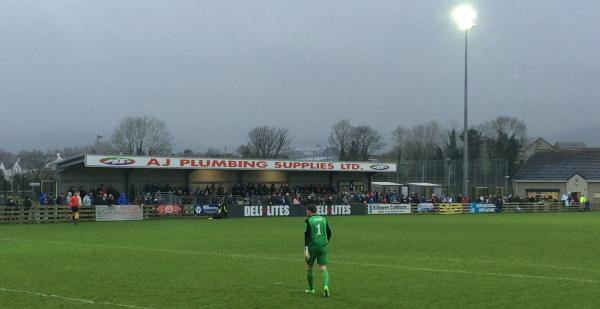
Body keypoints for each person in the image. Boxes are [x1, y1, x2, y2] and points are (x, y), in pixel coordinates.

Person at [304, 204, 332, 297]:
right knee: (323, 267)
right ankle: (326, 286)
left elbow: (307, 236)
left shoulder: (308, 220)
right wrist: (326, 241)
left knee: (309, 267)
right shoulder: (324, 219)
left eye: (306, 211)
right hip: (323, 246)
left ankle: (311, 289)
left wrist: (306, 249)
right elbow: (329, 232)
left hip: (313, 246)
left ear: (309, 211)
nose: (306, 212)